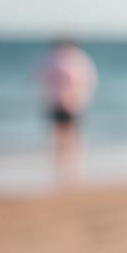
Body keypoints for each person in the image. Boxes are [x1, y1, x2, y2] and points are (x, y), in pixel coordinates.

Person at [35, 39, 98, 185]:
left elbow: (85, 81)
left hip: (71, 103)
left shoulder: (73, 59)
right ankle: (64, 167)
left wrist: (78, 99)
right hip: (59, 102)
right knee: (61, 135)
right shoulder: (67, 58)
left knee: (70, 135)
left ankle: (72, 167)